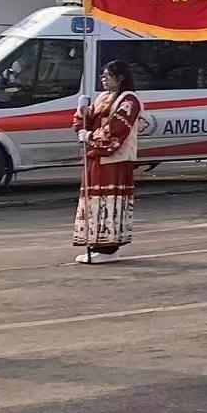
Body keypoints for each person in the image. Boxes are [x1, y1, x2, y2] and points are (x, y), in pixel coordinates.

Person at [72, 60, 142, 263]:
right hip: (97, 157)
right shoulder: (102, 97)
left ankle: (109, 248)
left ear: (120, 78)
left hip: (115, 159)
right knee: (95, 201)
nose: (103, 79)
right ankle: (96, 244)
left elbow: (116, 129)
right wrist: (82, 112)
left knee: (110, 201)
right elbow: (86, 122)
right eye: (102, 75)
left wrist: (90, 136)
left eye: (108, 75)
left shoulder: (129, 100)